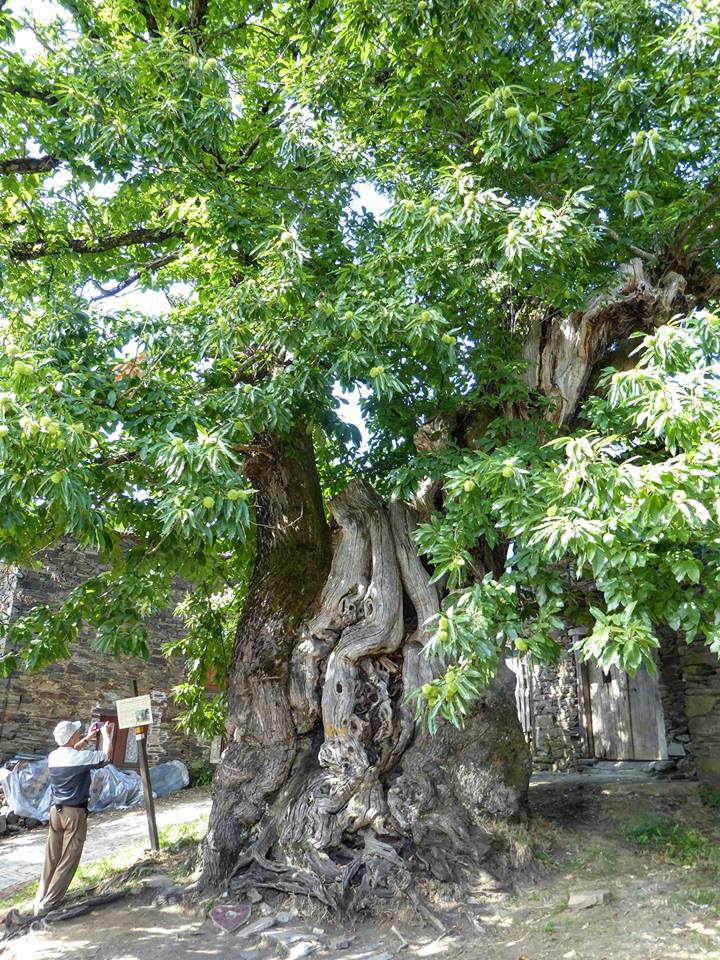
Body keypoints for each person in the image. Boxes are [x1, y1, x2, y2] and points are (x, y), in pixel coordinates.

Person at [34, 718, 112, 916]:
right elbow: (106, 757)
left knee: (51, 857)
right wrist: (105, 735)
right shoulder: (80, 758)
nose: (78, 734)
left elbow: (70, 750)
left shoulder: (54, 756)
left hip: (56, 811)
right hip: (74, 813)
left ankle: (40, 899)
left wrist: (87, 738)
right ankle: (49, 904)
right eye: (76, 733)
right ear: (71, 737)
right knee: (70, 857)